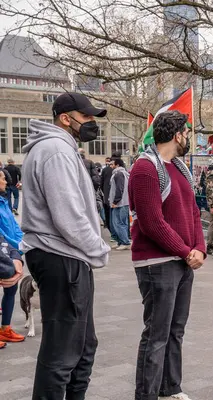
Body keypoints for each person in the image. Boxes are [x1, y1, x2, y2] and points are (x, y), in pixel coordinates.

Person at [21, 92, 111, 399]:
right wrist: (98, 249)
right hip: (60, 255)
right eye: (86, 117)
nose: (90, 124)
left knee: (83, 348)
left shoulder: (61, 149)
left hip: (66, 255)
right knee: (62, 353)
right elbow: (68, 213)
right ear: (65, 118)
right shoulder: (55, 150)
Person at [129, 110, 206, 400]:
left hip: (182, 260)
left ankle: (170, 387)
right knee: (157, 334)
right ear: (177, 135)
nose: (189, 138)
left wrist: (200, 248)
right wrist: (187, 251)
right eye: (187, 133)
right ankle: (146, 394)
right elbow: (151, 222)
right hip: (157, 263)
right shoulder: (145, 169)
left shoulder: (179, 167)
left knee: (175, 330)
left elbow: (194, 212)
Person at [0, 169, 25, 347]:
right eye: (2, 178)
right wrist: (13, 248)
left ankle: (5, 328)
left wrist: (20, 244)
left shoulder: (3, 201)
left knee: (11, 289)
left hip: (12, 251)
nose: (5, 181)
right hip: (3, 252)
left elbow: (14, 225)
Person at [109, 158, 131, 251]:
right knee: (122, 223)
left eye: (112, 163)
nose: (110, 165)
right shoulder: (123, 173)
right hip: (124, 202)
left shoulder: (118, 174)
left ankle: (124, 242)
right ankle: (121, 241)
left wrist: (115, 201)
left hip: (120, 203)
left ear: (117, 165)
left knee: (118, 223)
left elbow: (119, 188)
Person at [101, 155, 117, 241]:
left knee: (109, 215)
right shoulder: (119, 171)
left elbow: (101, 182)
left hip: (108, 197)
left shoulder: (105, 170)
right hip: (117, 198)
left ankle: (113, 234)